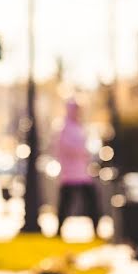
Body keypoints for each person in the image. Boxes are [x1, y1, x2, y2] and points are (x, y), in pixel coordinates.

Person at [54, 99, 100, 238]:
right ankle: (58, 230)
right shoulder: (64, 128)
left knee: (91, 201)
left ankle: (96, 229)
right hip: (69, 173)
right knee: (65, 203)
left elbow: (86, 146)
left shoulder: (80, 127)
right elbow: (66, 148)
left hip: (83, 172)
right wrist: (81, 152)